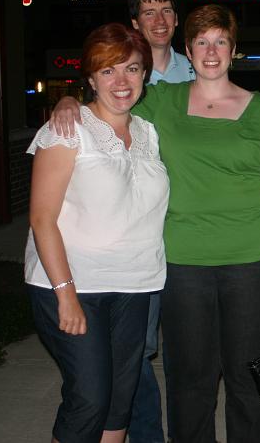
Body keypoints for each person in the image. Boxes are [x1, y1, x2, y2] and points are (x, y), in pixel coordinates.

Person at [50, 5, 260, 443]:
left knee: (248, 378)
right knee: (190, 380)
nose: (210, 51)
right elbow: (110, 98)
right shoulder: (162, 101)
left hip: (251, 260)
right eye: (201, 41)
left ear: (234, 50)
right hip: (182, 262)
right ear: (188, 49)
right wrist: (69, 99)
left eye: (220, 41)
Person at [26, 23, 168, 443]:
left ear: (145, 75)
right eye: (108, 71)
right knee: (89, 397)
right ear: (90, 78)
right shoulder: (66, 129)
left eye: (132, 68)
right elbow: (41, 218)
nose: (121, 81)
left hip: (136, 284)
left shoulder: (148, 133)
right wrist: (65, 293)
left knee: (120, 398)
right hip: (74, 284)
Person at [126, 0, 195, 443]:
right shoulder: (124, 70)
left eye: (166, 11)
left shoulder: (199, 69)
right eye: (149, 13)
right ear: (135, 23)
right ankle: (149, 435)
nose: (159, 21)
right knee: (141, 344)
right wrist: (67, 100)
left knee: (188, 347)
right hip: (141, 223)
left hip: (190, 220)